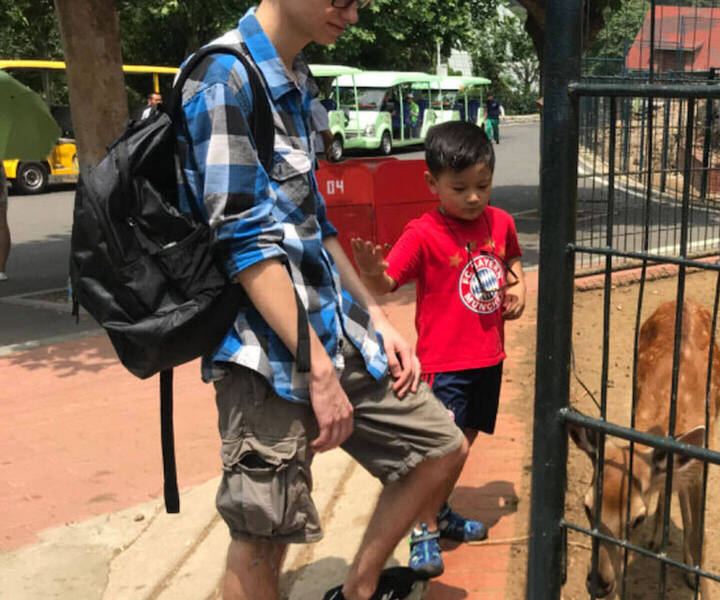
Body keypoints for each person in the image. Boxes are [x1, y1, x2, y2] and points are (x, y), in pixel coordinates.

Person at [174, 2, 470, 599]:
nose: (352, 14)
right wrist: (317, 370)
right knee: (263, 536)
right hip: (262, 353)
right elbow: (243, 245)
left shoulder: (299, 76)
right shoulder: (223, 79)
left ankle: (357, 589)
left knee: (440, 445)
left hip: (333, 330)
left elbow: (315, 223)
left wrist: (378, 318)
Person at [351, 120, 525, 547]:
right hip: (444, 366)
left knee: (462, 444)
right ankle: (422, 527)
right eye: (459, 187)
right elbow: (386, 282)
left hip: (488, 359)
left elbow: (513, 261)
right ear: (432, 182)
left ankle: (439, 513)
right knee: (443, 452)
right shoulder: (423, 232)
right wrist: (373, 273)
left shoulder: (499, 222)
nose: (473, 198)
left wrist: (518, 288)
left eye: (482, 186)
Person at [310, 90, 334, 163]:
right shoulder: (313, 106)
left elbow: (326, 133)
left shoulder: (315, 107)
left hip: (317, 152)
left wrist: (327, 149)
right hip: (315, 151)